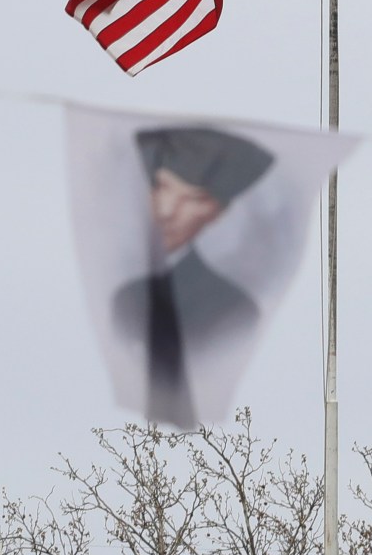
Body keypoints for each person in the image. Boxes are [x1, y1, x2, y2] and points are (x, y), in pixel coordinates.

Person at [110, 126, 274, 426]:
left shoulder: (235, 309)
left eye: (193, 198)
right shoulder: (123, 301)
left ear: (216, 212)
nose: (169, 210)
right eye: (162, 187)